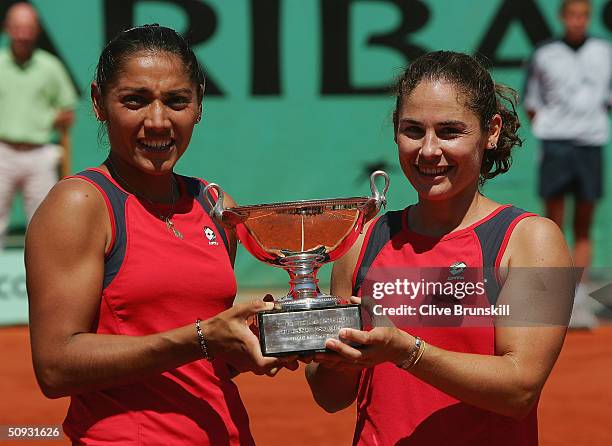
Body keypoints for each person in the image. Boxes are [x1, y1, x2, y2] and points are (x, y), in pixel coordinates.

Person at [25, 25, 297, 445]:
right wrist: (203, 337)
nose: (157, 122)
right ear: (99, 102)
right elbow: (55, 366)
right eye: (135, 101)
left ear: (199, 105)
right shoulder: (81, 204)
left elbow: (199, 361)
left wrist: (263, 338)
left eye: (176, 102)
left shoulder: (213, 202)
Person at [306, 51, 574, 445]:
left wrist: (405, 351)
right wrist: (339, 361)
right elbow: (330, 397)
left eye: (450, 131)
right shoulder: (362, 240)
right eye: (413, 130)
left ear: (492, 130)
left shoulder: (532, 240)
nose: (428, 150)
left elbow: (520, 389)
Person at [523, 0, 612, 328]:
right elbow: (532, 102)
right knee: (554, 224)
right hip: (556, 146)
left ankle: (579, 301)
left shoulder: (605, 52)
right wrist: (554, 129)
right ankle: (555, 298)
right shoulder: (544, 54)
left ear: (588, 19)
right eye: (572, 15)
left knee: (584, 224)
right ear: (563, 18)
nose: (578, 21)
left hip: (591, 146)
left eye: (583, 16)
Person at [0, 2, 77, 249]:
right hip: (2, 151)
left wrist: (52, 119)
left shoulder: (50, 66)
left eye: (28, 28)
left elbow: (67, 109)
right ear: (7, 29)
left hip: (39, 154)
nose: (23, 34)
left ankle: (43, 282)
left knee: (44, 223)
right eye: (17, 27)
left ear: (36, 30)